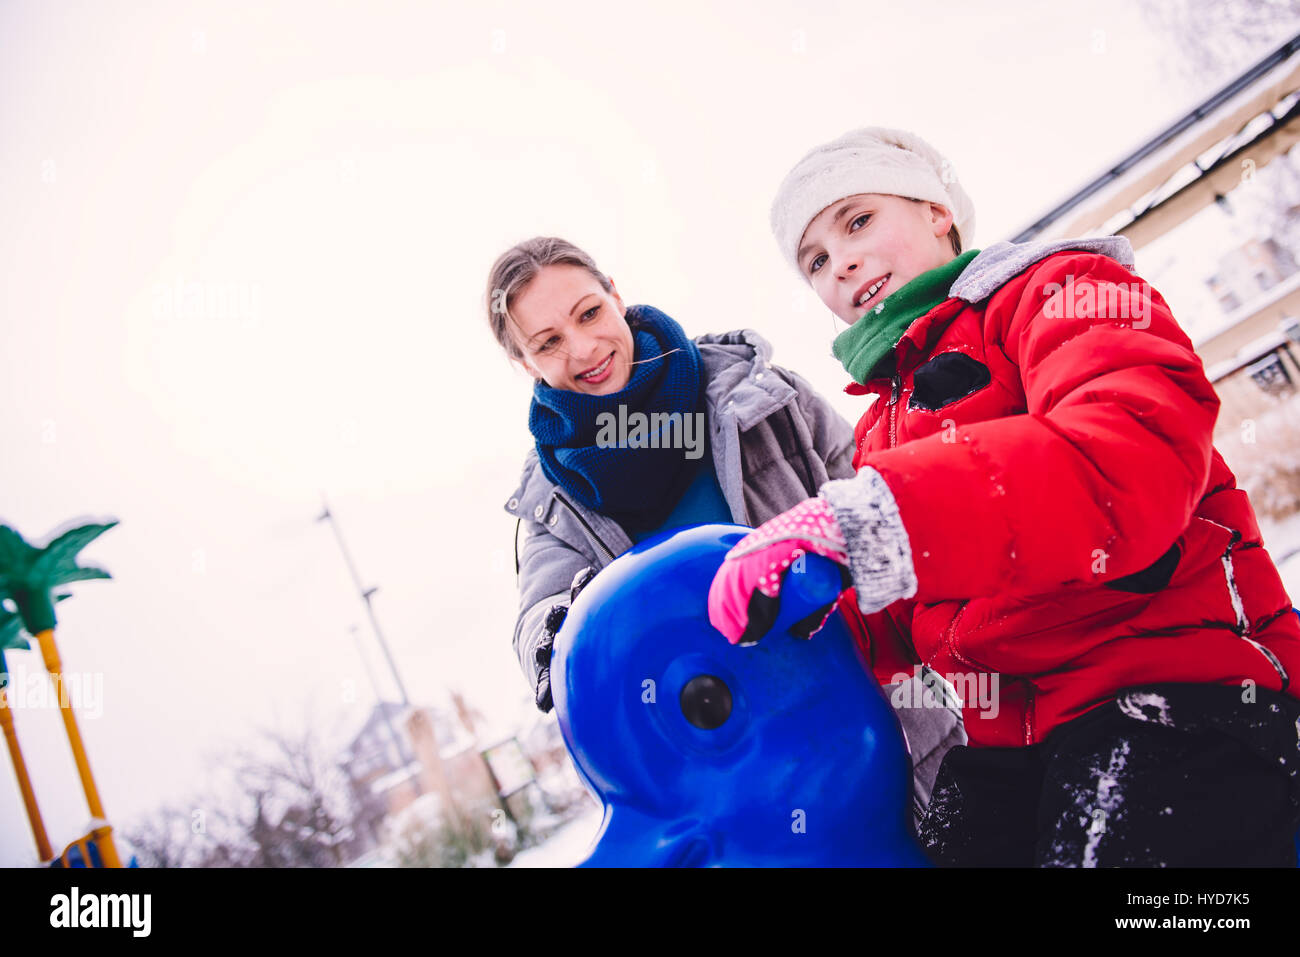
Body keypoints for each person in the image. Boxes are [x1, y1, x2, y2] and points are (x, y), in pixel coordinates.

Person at [709, 126, 1300, 867]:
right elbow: (895, 631)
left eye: (857, 220)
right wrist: (791, 623)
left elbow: (1128, 458)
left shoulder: (1064, 291)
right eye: (816, 262)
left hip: (1178, 685)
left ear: (936, 211)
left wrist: (877, 519)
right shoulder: (879, 429)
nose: (842, 264)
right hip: (1012, 738)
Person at [488, 236, 965, 826]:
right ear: (523, 362)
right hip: (752, 798)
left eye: (589, 313)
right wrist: (566, 632)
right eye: (548, 343)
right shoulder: (552, 504)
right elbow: (540, 621)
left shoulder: (762, 396)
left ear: (615, 294)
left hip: (899, 732)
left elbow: (892, 503)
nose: (584, 347)